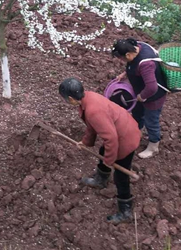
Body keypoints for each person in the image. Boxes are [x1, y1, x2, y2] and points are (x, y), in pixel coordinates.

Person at [58, 77, 141, 224]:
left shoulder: (93, 110)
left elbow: (111, 139)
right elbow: (92, 126)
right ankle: (100, 179)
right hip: (122, 129)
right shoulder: (88, 98)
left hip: (126, 138)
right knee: (103, 151)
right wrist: (85, 142)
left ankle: (125, 210)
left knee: (121, 176)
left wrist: (110, 161)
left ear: (70, 98)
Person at [111, 38, 169, 159]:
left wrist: (142, 96)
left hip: (153, 97)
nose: (122, 61)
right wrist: (124, 73)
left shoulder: (146, 64)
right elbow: (133, 64)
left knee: (151, 121)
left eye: (122, 59)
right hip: (141, 91)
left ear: (127, 54)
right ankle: (136, 134)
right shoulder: (137, 47)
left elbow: (152, 87)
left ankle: (153, 147)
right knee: (137, 114)